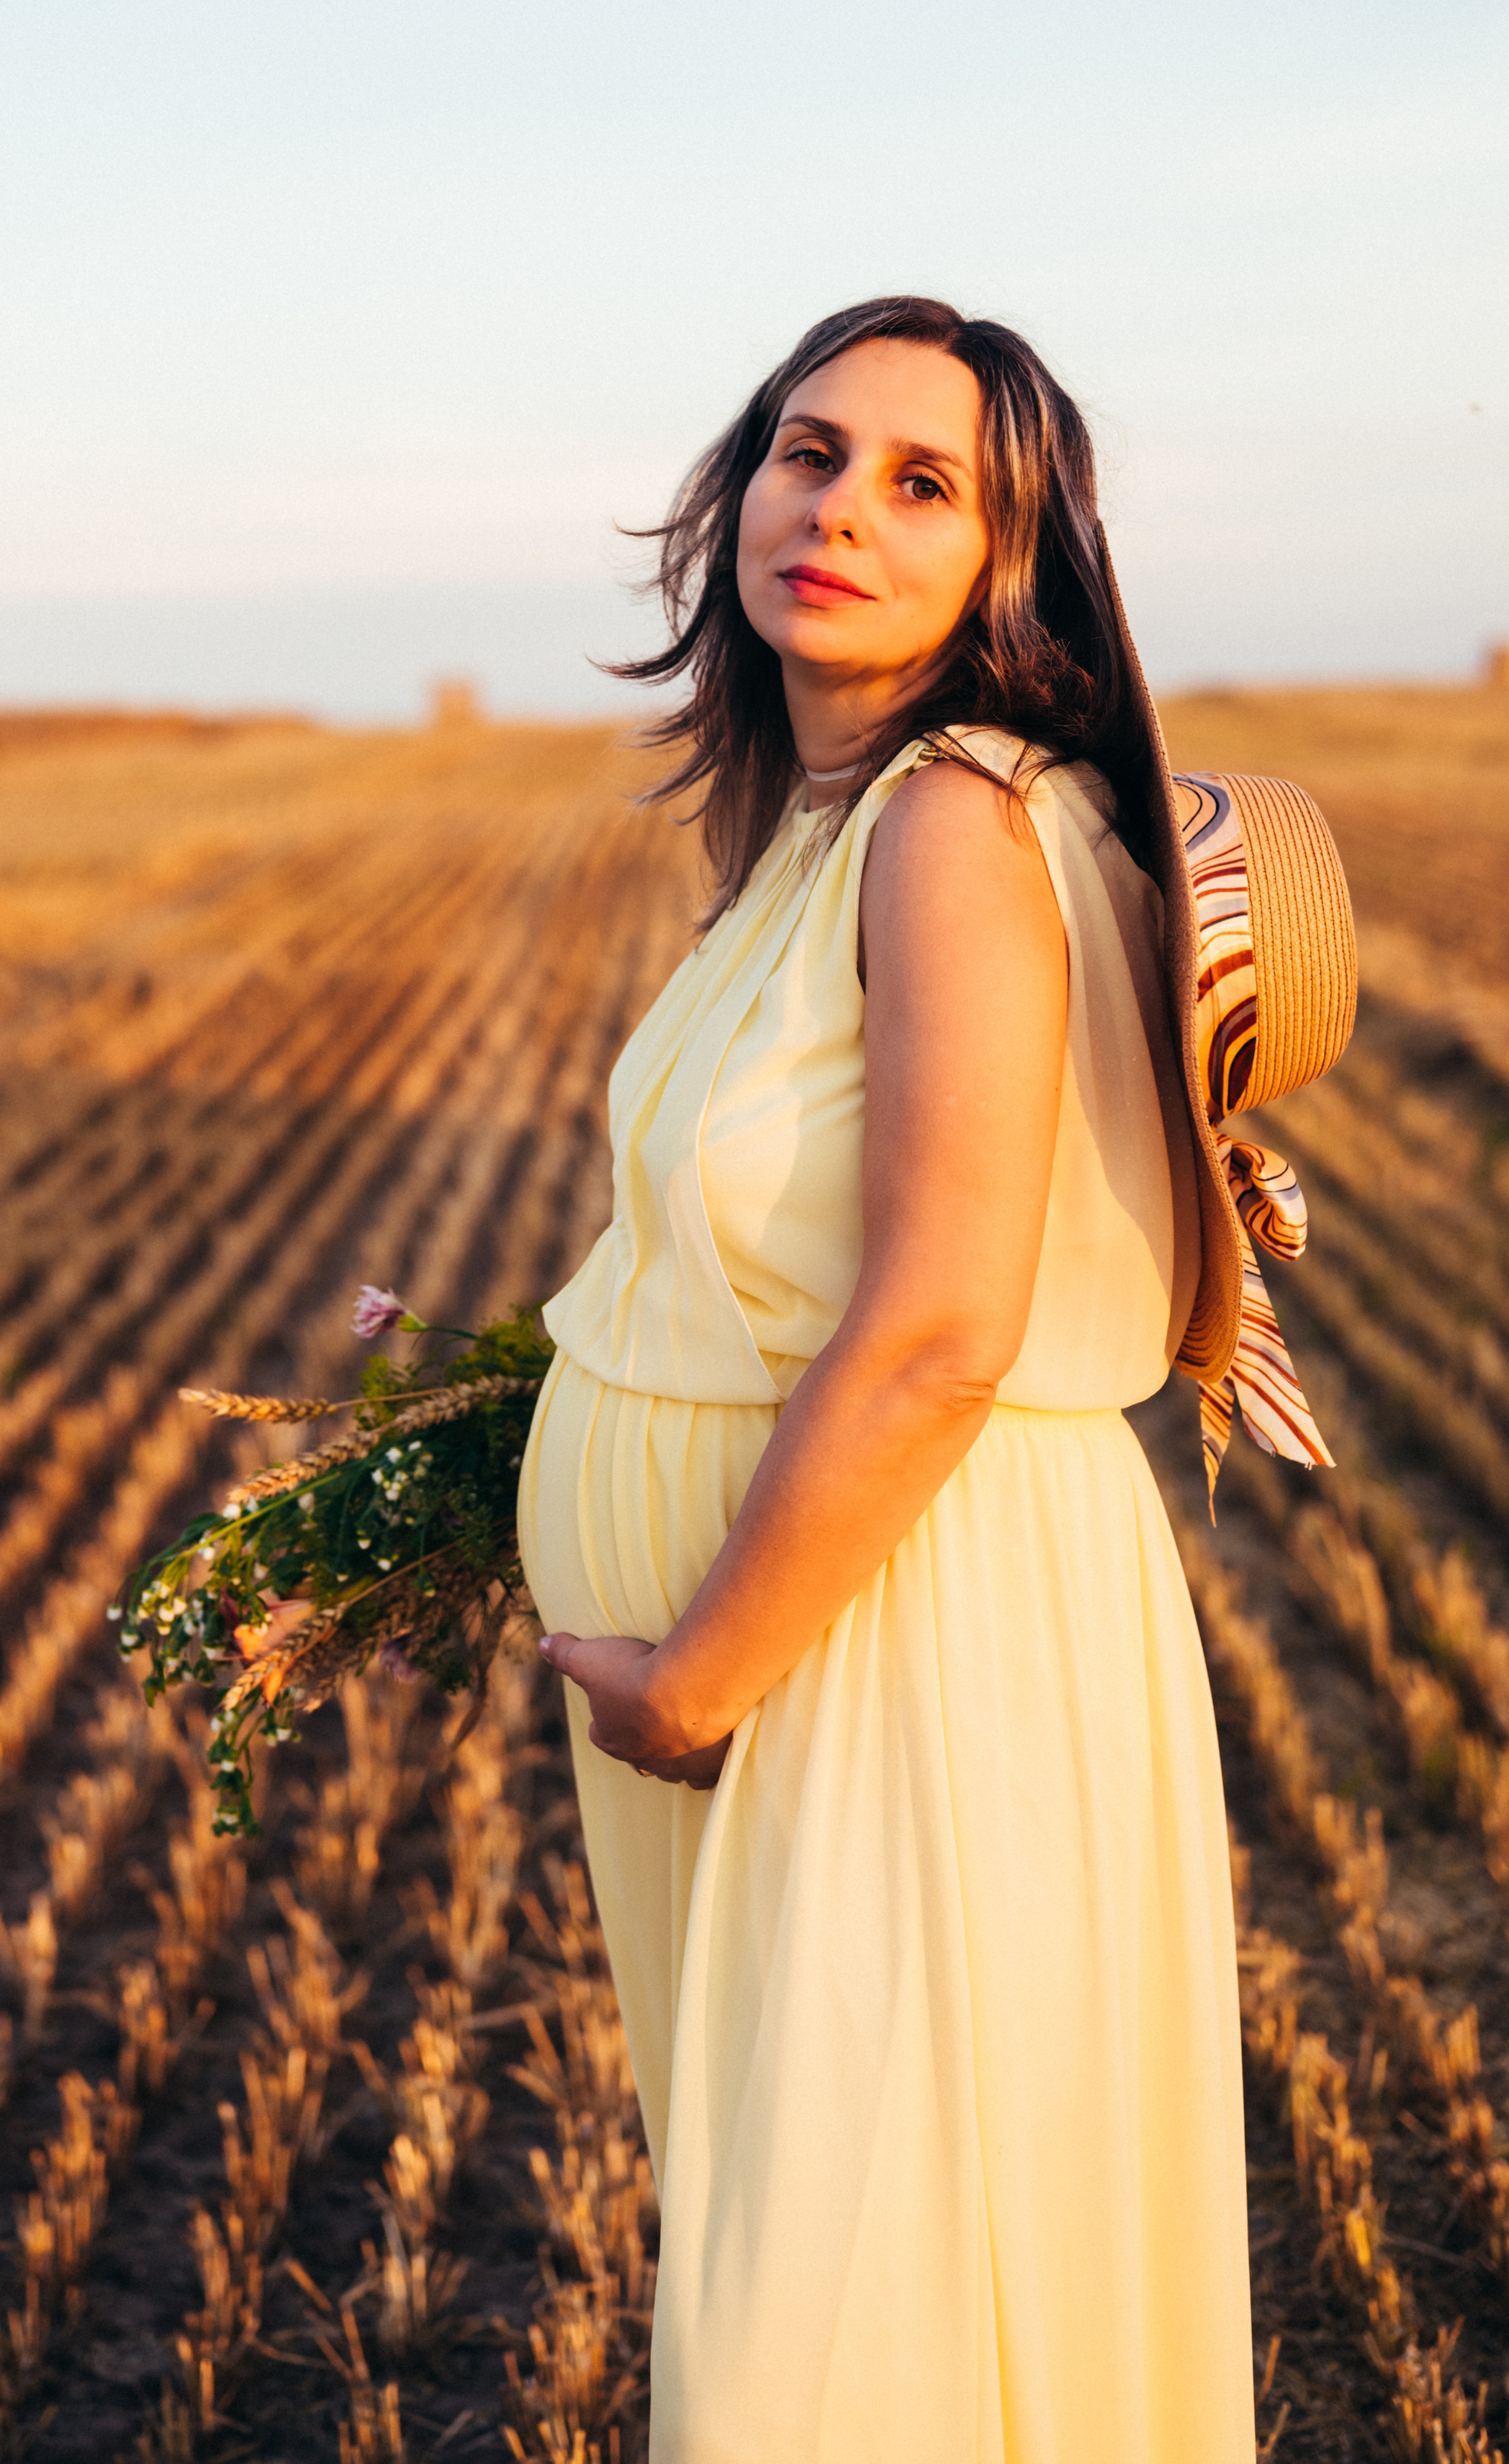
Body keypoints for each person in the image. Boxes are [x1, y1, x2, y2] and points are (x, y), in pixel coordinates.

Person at [519, 296, 1269, 2462]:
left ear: (1006, 568)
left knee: (840, 2354)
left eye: (921, 482)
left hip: (889, 1653)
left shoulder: (952, 821)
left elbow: (943, 1322)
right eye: (808, 451)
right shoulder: (826, 829)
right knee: (870, 2299)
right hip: (813, 1650)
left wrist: (693, 1678)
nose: (837, 506)